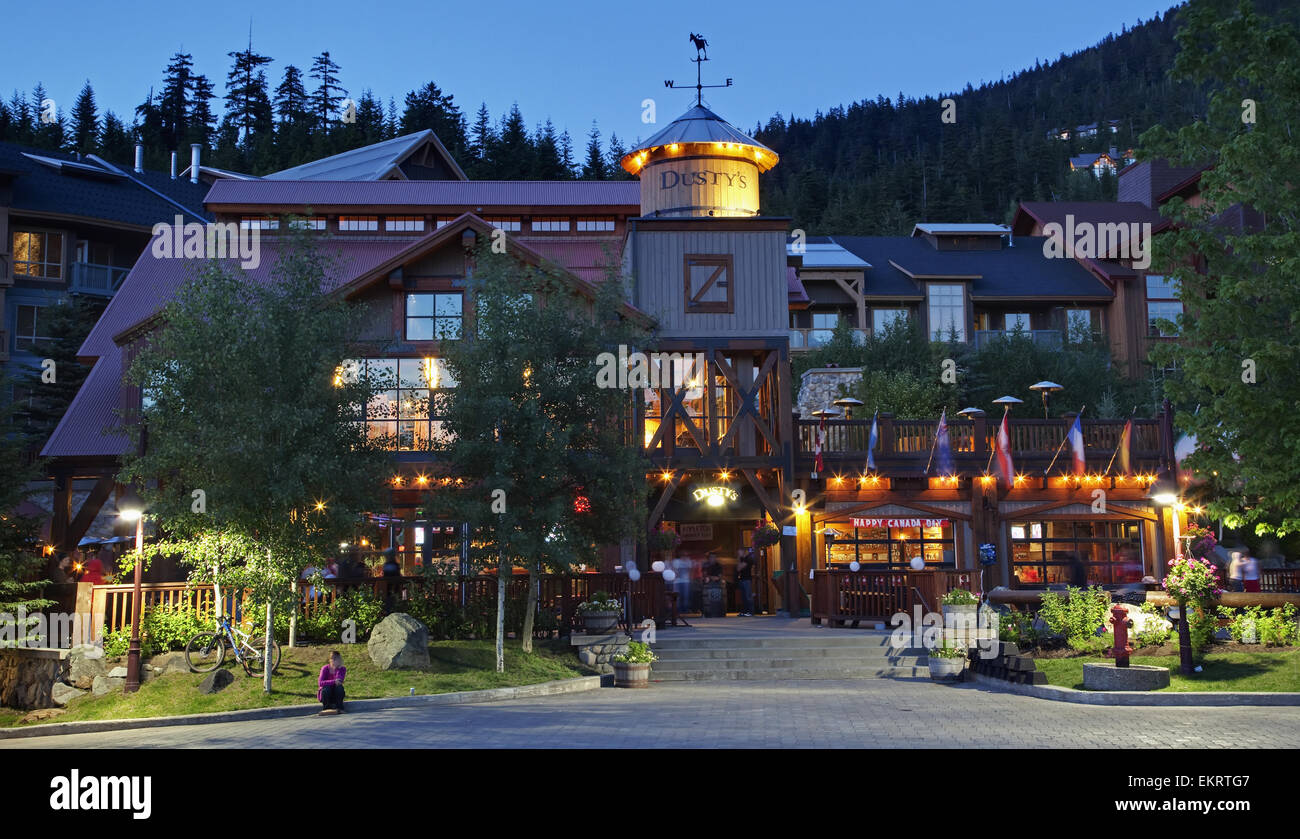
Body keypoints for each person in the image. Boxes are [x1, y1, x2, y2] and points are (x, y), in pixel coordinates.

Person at [735, 548, 755, 616]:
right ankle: (745, 611)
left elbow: (739, 568)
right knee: (743, 597)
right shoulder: (742, 559)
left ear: (743, 552)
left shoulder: (748, 559)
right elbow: (738, 568)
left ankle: (750, 611)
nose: (738, 554)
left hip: (747, 579)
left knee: (748, 596)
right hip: (742, 579)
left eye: (739, 552)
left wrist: (738, 559)